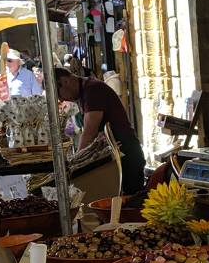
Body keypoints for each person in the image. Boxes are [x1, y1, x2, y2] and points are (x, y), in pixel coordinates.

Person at [54, 66, 146, 194]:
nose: (61, 99)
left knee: (131, 201)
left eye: (58, 94)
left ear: (65, 81)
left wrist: (75, 163)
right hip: (118, 154)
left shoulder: (93, 90)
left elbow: (89, 132)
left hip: (127, 155)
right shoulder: (85, 91)